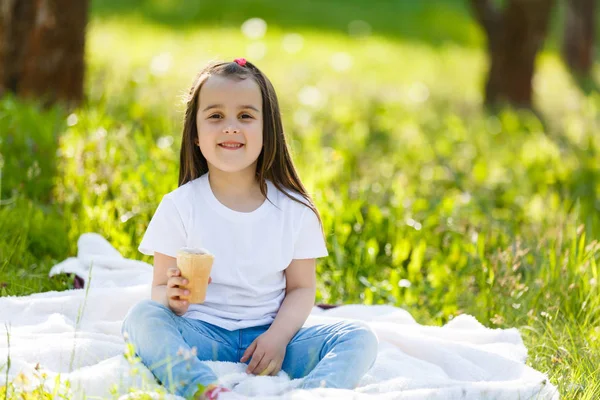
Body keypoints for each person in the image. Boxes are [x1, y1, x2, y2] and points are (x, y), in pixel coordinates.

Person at [121, 58, 379, 400]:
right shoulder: (179, 206)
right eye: (215, 116)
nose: (230, 127)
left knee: (359, 338)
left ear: (267, 129)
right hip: (200, 336)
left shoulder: (295, 211)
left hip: (270, 343)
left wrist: (279, 337)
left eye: (245, 115)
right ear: (196, 135)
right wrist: (173, 300)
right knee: (142, 317)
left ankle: (315, 395)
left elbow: (301, 289)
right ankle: (207, 390)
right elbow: (158, 287)